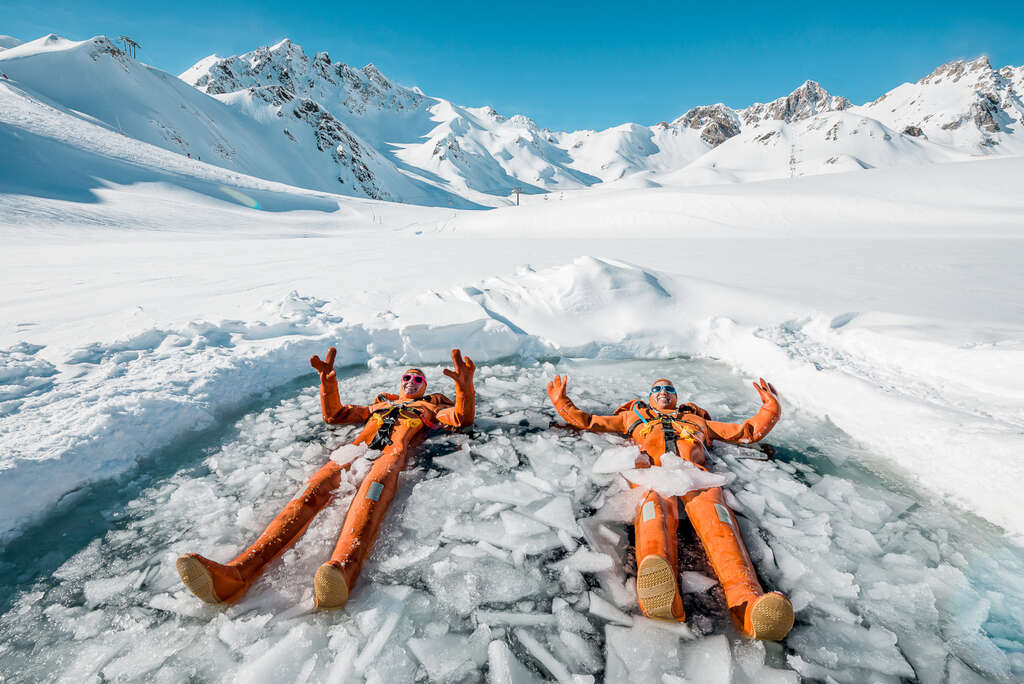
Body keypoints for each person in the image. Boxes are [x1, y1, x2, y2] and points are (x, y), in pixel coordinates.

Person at [176, 348, 476, 609]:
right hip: (354, 451)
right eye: (407, 378)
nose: (411, 382)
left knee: (369, 498)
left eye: (418, 379)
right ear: (400, 383)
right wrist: (328, 380)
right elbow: (336, 415)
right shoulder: (379, 405)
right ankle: (237, 573)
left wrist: (465, 389)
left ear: (425, 388)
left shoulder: (431, 408)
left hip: (390, 456)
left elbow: (460, 418)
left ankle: (343, 569)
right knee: (309, 493)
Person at [547, 374, 793, 640]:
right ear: (651, 396)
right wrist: (562, 403)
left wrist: (771, 409)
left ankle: (750, 608)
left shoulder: (698, 421)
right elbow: (590, 421)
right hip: (654, 477)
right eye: (657, 390)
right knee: (654, 522)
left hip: (697, 479)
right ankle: (663, 599)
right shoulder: (632, 417)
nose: (663, 392)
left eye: (668, 389)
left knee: (722, 532)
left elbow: (746, 432)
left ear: (675, 397)